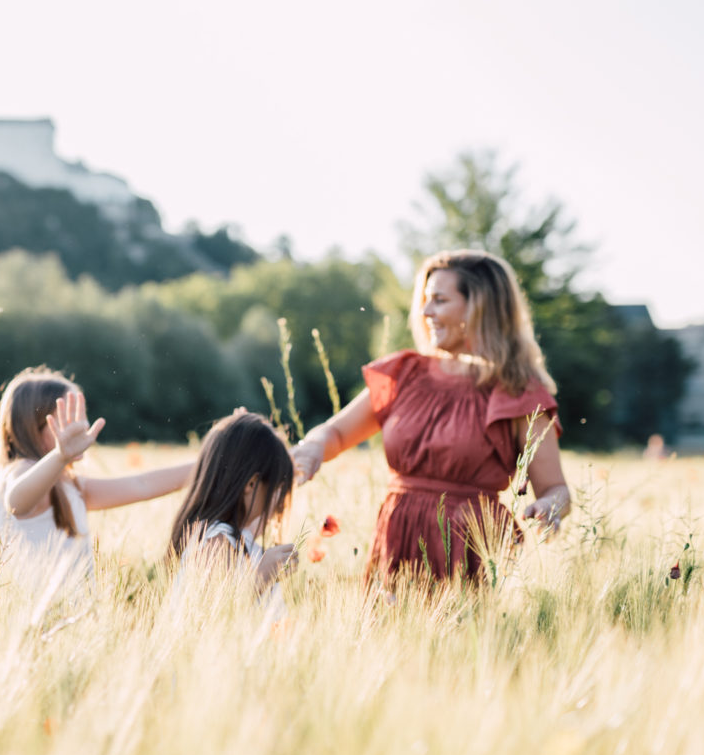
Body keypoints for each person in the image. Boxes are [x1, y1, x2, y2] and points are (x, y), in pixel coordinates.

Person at [291, 250, 570, 581]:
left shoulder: (518, 392)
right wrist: (311, 448)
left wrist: (549, 507)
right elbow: (335, 434)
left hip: (470, 551)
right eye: (425, 299)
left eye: (439, 300)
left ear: (480, 308)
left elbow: (556, 489)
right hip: (397, 541)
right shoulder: (404, 373)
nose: (425, 312)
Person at [0, 366, 193, 607]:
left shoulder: (67, 485)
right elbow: (16, 501)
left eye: (81, 417)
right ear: (31, 425)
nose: (82, 427)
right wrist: (60, 456)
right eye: (68, 419)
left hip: (64, 622)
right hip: (30, 625)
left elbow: (141, 485)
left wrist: (214, 460)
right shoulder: (19, 471)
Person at [166, 410, 298, 607]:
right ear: (251, 485)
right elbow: (206, 617)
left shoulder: (238, 539)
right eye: (277, 488)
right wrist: (259, 579)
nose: (279, 502)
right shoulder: (216, 543)